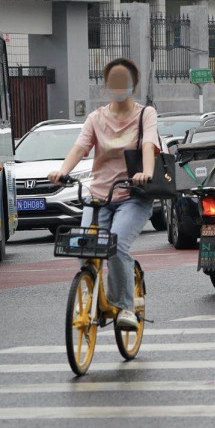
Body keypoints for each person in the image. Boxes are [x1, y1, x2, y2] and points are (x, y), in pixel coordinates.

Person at [47, 58, 158, 331]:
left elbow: (148, 145)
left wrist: (145, 171)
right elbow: (80, 147)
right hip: (98, 197)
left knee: (116, 246)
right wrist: (62, 170)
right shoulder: (96, 118)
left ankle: (125, 307)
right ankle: (92, 295)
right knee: (84, 249)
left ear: (132, 84)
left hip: (132, 195)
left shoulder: (146, 114)